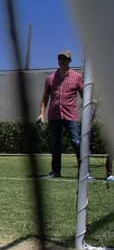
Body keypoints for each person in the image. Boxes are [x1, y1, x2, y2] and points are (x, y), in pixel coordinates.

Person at [37, 50, 84, 178]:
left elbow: (85, 95)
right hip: (54, 116)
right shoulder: (50, 78)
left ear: (69, 61)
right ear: (58, 61)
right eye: (60, 59)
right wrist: (41, 114)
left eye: (65, 59)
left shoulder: (77, 77)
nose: (62, 61)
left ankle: (84, 172)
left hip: (71, 116)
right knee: (55, 145)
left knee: (77, 143)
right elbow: (45, 98)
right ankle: (55, 172)